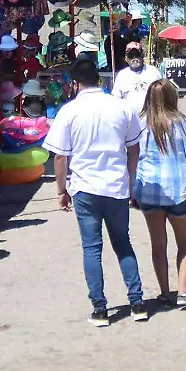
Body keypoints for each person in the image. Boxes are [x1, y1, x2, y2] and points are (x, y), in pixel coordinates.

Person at [45, 59, 149, 326]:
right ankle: (137, 303)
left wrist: (61, 190)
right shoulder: (121, 107)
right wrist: (130, 180)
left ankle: (100, 309)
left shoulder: (69, 112)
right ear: (99, 81)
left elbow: (59, 156)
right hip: (116, 186)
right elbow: (134, 147)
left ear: (74, 84)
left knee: (92, 248)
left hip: (85, 188)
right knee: (122, 243)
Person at [134, 79, 186, 308]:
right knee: (184, 243)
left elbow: (132, 157)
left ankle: (165, 293)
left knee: (158, 244)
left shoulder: (139, 123)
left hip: (149, 191)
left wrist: (132, 189)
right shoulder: (181, 123)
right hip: (179, 190)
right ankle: (183, 291)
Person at [110, 40, 162, 111]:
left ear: (142, 55)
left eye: (137, 55)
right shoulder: (122, 75)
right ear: (126, 58)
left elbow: (162, 95)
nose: (134, 58)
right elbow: (116, 99)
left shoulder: (153, 72)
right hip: (129, 119)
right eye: (131, 55)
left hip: (151, 117)